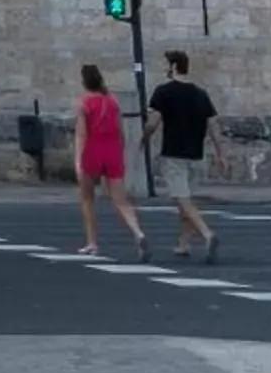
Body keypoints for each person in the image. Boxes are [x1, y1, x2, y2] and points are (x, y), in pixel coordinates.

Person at [144, 49, 221, 263]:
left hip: (174, 153)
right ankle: (183, 243)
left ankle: (207, 234)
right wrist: (220, 153)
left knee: (182, 199)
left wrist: (143, 139)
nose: (165, 69)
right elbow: (213, 124)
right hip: (195, 153)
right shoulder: (200, 93)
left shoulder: (163, 92)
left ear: (174, 67)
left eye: (167, 65)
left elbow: (153, 122)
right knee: (187, 201)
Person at [74, 61, 149, 260]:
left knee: (87, 199)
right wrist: (120, 151)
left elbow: (81, 134)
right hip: (112, 149)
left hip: (93, 149)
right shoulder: (112, 101)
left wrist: (78, 161)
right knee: (121, 200)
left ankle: (92, 242)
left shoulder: (84, 103)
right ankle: (137, 232)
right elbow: (120, 131)